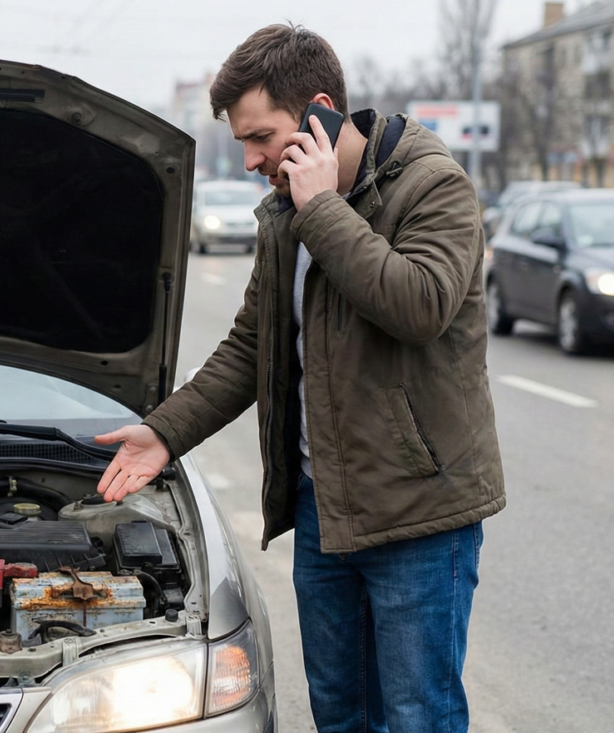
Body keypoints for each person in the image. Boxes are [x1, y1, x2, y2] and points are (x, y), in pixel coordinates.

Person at [94, 23, 504, 733]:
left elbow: (420, 306)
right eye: (243, 142)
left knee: (418, 717)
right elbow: (252, 345)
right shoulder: (287, 213)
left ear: (320, 112)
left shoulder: (432, 184)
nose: (251, 159)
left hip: (418, 515)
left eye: (261, 137)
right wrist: (165, 433)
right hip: (324, 511)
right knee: (339, 714)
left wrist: (322, 210)